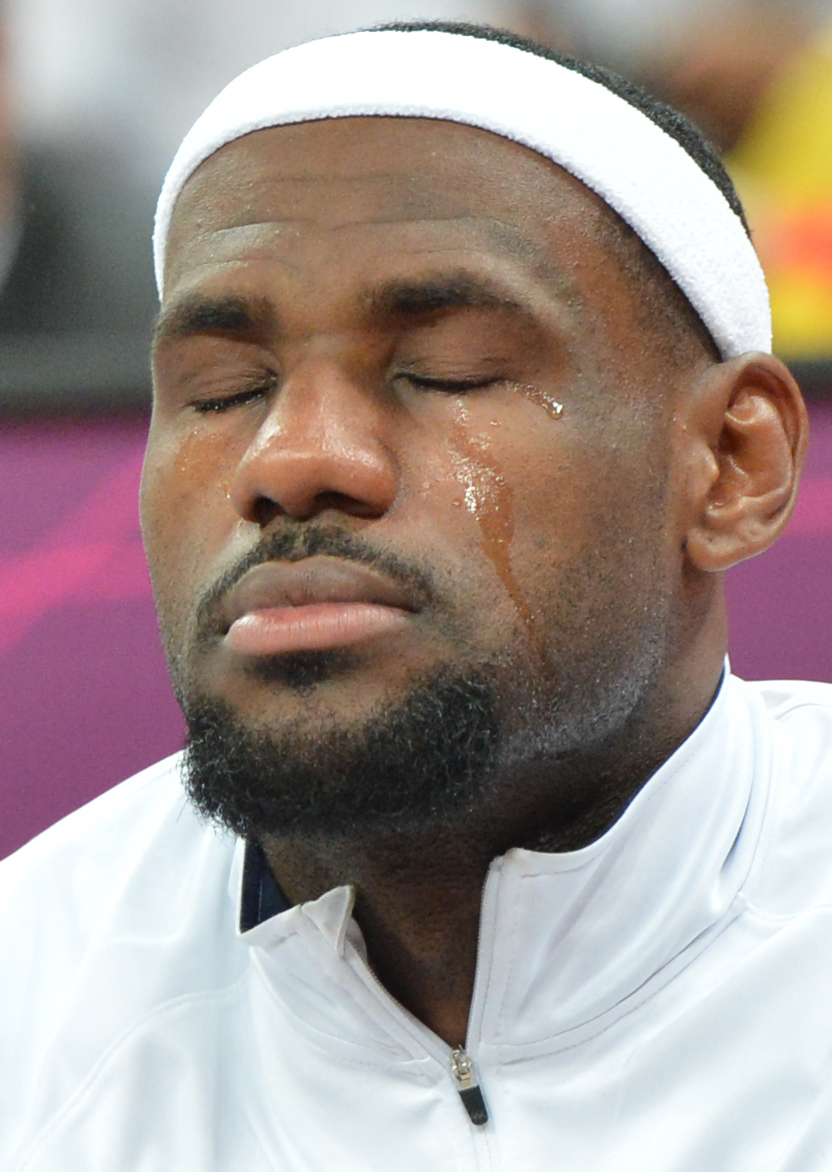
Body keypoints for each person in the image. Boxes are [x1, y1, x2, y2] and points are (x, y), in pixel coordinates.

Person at [1, 21, 829, 1170]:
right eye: (223, 388)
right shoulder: (27, 1012)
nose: (290, 458)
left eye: (445, 370)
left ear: (732, 464)